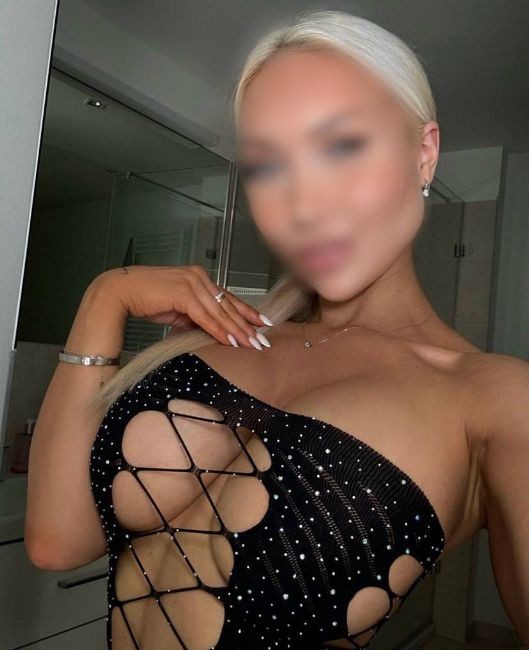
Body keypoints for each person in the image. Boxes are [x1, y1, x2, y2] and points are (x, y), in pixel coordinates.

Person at [25, 9, 529, 649]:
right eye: (267, 167)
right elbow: (57, 542)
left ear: (423, 153)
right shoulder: (219, 340)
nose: (304, 204)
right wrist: (106, 296)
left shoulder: (493, 400)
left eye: (342, 147)